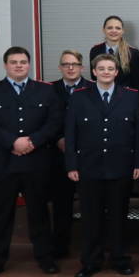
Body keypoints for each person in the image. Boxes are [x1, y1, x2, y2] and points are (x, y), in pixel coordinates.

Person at [0, 47, 63, 277]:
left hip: (36, 161)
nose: (18, 66)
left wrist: (33, 141)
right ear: (5, 65)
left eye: (23, 62)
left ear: (29, 65)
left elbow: (54, 122)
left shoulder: (46, 91)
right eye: (13, 62)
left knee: (39, 213)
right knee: (1, 215)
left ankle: (45, 258)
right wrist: (13, 142)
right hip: (4, 162)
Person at [65, 54, 139, 277]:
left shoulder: (131, 96)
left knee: (119, 217)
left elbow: (138, 133)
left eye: (110, 68)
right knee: (91, 218)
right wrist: (71, 164)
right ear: (94, 72)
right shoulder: (79, 97)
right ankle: (90, 261)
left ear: (117, 72)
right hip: (89, 167)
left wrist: (138, 162)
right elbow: (71, 134)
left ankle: (120, 259)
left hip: (121, 166)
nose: (106, 72)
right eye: (101, 68)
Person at [49, 50, 91, 260]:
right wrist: (59, 139)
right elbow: (45, 119)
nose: (70, 68)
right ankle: (60, 246)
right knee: (61, 203)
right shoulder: (50, 90)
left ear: (82, 67)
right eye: (66, 64)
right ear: (60, 67)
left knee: (92, 205)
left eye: (74, 64)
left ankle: (92, 246)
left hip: (88, 156)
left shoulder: (92, 88)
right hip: (59, 155)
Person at [89, 15, 139, 92]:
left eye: (118, 28)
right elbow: (94, 78)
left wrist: (138, 102)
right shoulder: (95, 50)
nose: (114, 31)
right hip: (101, 97)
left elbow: (138, 82)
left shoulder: (133, 53)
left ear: (123, 31)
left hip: (125, 97)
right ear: (103, 30)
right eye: (110, 28)